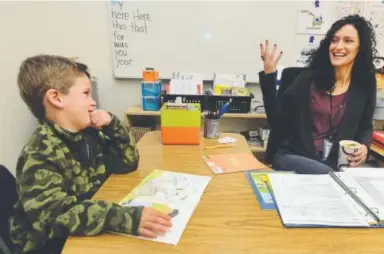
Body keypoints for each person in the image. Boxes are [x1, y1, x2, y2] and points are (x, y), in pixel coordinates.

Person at [9, 55, 172, 253]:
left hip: (88, 224)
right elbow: (56, 216)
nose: (93, 102)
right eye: (86, 93)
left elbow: (127, 162)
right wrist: (126, 218)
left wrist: (113, 126)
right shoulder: (39, 153)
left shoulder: (89, 133)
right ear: (56, 98)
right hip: (52, 245)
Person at [258, 15, 377, 174]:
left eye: (348, 41)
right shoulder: (307, 80)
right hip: (295, 157)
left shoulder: (365, 83)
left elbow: (365, 127)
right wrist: (269, 76)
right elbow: (277, 121)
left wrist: (364, 147)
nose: (338, 46)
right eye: (334, 40)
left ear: (360, 48)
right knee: (332, 179)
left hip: (336, 163)